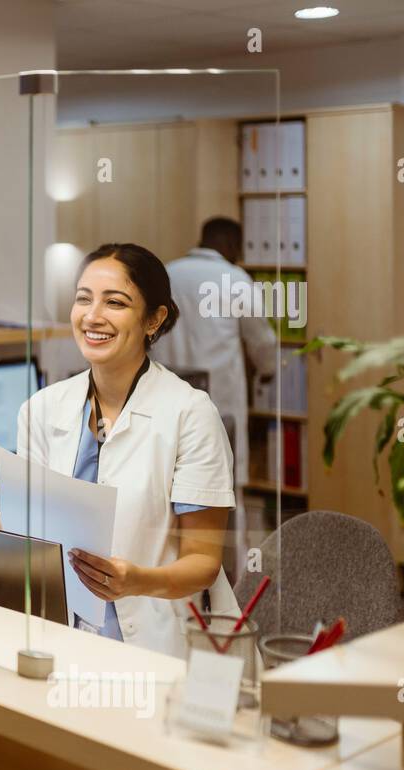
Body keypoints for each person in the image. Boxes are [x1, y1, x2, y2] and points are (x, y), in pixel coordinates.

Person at [0, 243, 240, 659]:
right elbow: (43, 540)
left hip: (151, 642)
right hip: (58, 632)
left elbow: (203, 562)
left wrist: (134, 580)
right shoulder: (42, 409)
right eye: (83, 299)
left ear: (154, 320)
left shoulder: (190, 414)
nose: (92, 315)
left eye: (115, 302)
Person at [158, 218, 279, 562]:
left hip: (168, 402)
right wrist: (267, 374)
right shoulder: (235, 278)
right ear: (230, 244)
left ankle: (181, 577)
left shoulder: (167, 274)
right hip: (219, 408)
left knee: (173, 493)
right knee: (225, 495)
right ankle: (231, 589)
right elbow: (263, 342)